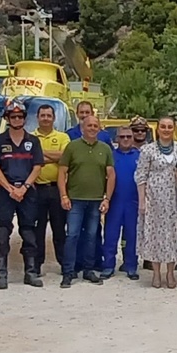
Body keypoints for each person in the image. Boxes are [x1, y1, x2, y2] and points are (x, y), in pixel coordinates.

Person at [0, 101, 46, 288]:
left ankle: (30, 272)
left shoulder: (33, 141)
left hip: (27, 192)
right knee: (3, 232)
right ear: (7, 118)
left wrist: (25, 187)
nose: (17, 119)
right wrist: (10, 189)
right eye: (13, 116)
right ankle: (2, 274)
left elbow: (37, 166)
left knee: (29, 231)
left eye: (20, 116)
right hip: (6, 192)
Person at [59, 114, 115, 286]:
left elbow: (111, 175)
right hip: (75, 200)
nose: (92, 128)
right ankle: (68, 272)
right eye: (89, 125)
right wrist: (63, 195)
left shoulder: (105, 149)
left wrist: (107, 199)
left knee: (92, 236)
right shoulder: (72, 147)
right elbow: (62, 172)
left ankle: (88, 270)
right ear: (82, 127)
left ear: (99, 129)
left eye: (95, 126)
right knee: (72, 235)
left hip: (96, 200)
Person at [135, 116, 177, 288]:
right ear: (157, 129)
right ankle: (156, 273)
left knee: (173, 235)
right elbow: (141, 176)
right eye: (162, 126)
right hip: (154, 199)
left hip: (176, 200)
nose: (166, 129)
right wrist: (142, 201)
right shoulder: (147, 150)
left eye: (169, 127)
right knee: (155, 235)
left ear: (174, 129)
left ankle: (170, 273)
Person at [33, 106, 71, 277]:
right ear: (37, 117)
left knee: (59, 230)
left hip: (57, 189)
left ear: (54, 118)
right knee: (37, 230)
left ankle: (64, 264)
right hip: (36, 190)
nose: (46, 118)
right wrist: (54, 157)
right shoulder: (31, 137)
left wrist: (40, 154)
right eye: (43, 115)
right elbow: (30, 159)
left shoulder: (63, 137)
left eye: (49, 115)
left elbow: (66, 157)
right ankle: (36, 265)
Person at [103, 122, 142, 279]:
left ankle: (131, 266)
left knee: (132, 236)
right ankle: (108, 266)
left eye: (128, 137)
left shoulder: (140, 156)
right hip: (115, 202)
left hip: (133, 202)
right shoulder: (110, 155)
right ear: (116, 138)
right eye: (122, 137)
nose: (125, 139)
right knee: (111, 235)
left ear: (133, 138)